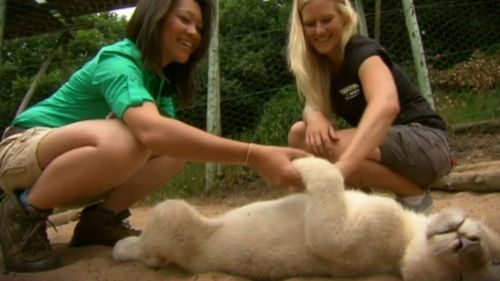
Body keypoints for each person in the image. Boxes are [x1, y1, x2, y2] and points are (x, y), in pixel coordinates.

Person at [0, 0, 309, 273]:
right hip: (21, 149)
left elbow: (169, 139)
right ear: (156, 17)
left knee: (176, 148)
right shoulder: (118, 60)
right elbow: (151, 132)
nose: (193, 32)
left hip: (67, 170)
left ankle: (98, 222)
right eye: (185, 19)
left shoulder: (158, 84)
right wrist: (255, 154)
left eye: (199, 27)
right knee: (133, 139)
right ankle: (21, 215)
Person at [287, 0, 452, 213]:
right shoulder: (322, 68)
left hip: (428, 144)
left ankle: (413, 196)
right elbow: (312, 103)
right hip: (390, 152)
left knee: (328, 150)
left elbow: (386, 104)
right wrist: (314, 115)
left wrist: (340, 170)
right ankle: (356, 209)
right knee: (299, 134)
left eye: (327, 20)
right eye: (310, 24)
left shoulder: (362, 51)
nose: (319, 30)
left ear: (345, 18)